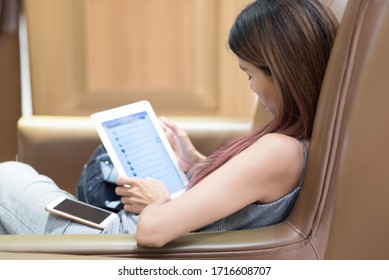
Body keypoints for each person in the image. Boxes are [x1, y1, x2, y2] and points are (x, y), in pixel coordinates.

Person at [0, 0, 338, 247]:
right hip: (134, 230)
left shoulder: (280, 150)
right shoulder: (290, 147)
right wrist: (198, 165)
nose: (251, 87)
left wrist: (157, 198)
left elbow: (152, 232)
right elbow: (244, 201)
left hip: (123, 241)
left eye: (249, 73)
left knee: (7, 177)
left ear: (281, 72)